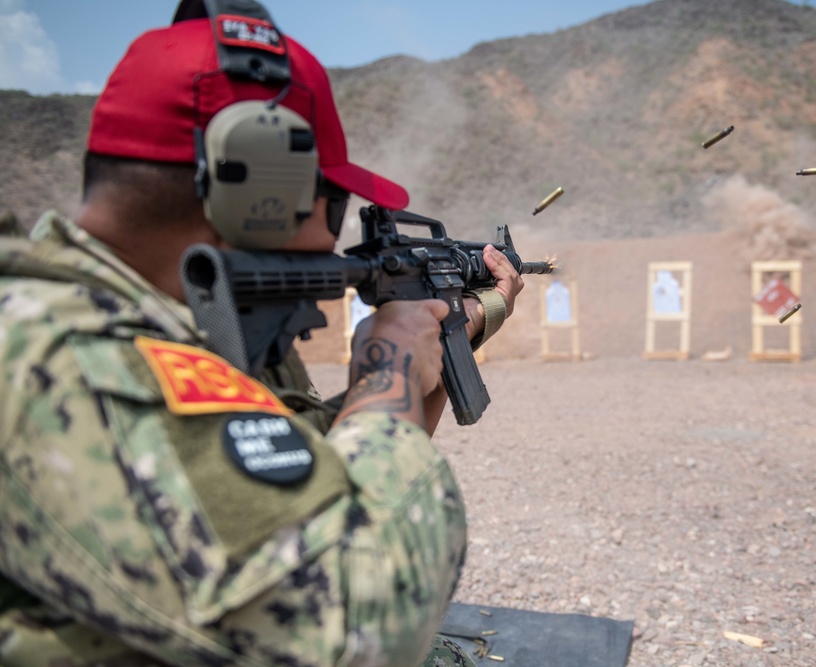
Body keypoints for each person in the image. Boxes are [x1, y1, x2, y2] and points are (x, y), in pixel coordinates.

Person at [0, 2, 523, 666]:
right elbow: (366, 620)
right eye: (334, 200)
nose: (338, 234)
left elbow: (312, 479)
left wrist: (458, 323)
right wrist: (388, 368)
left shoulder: (153, 323)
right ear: (258, 188)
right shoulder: (64, 357)